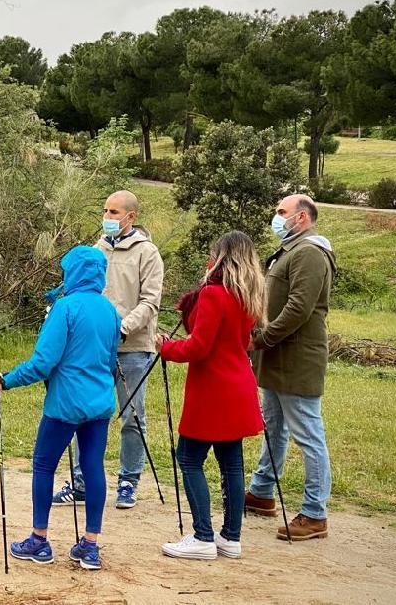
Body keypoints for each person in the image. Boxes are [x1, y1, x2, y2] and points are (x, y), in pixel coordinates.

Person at [0, 245, 122, 571]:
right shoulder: (110, 310)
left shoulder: (64, 307)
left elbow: (43, 363)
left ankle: (39, 539)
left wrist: (6, 380)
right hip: (100, 402)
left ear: (72, 272)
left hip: (65, 404)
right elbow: (109, 361)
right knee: (93, 467)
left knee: (44, 464)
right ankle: (90, 545)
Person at [155, 231, 265, 560]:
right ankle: (230, 537)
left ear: (221, 257)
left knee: (189, 458)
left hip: (213, 389)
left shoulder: (214, 294)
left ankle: (203, 536)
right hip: (239, 384)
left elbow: (199, 347)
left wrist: (167, 348)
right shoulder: (248, 295)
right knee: (231, 464)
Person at [53, 190, 164, 511]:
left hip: (133, 347)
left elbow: (150, 302)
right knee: (83, 411)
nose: (108, 217)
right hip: (94, 348)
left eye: (114, 212)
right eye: (105, 211)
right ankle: (81, 482)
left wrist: (121, 328)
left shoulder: (148, 253)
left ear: (130, 217)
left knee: (132, 416)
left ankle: (128, 481)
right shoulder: (95, 249)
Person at [246, 194, 336, 541]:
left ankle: (315, 513)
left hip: (297, 357)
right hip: (278, 357)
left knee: (308, 435)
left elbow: (299, 307)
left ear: (301, 218)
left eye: (282, 212)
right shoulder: (291, 250)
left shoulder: (310, 253)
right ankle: (262, 491)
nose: (276, 216)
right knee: (274, 426)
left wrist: (264, 338)